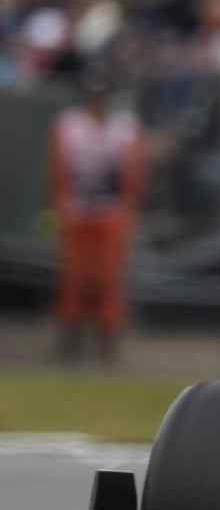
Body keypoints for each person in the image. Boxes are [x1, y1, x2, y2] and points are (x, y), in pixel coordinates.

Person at [49, 72, 146, 362]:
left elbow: (133, 172)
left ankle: (107, 337)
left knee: (109, 276)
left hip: (110, 209)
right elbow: (59, 167)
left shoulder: (124, 128)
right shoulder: (70, 125)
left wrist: (128, 207)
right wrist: (61, 204)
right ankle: (71, 335)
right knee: (74, 275)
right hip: (77, 207)